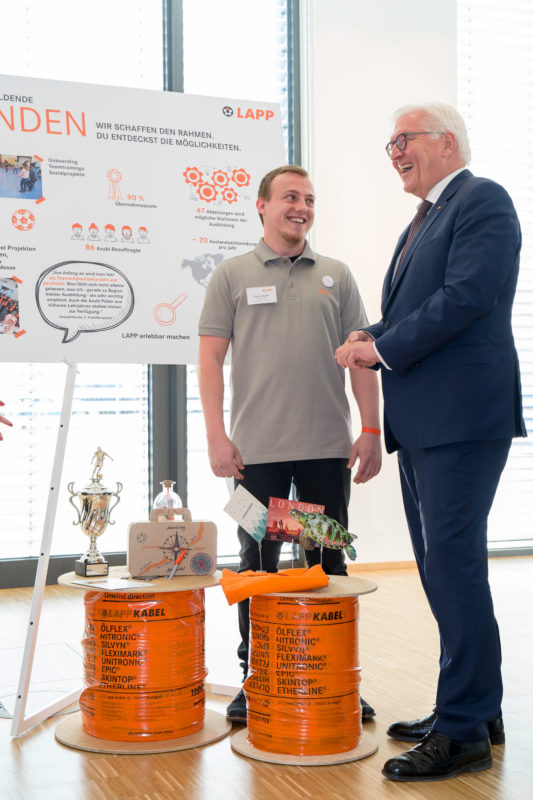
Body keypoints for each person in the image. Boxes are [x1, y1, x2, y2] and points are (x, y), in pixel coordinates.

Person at [335, 102, 525, 782]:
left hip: (461, 417)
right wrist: (372, 335)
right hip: (423, 421)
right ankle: (473, 708)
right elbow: (417, 310)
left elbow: (467, 296)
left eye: (402, 141)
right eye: (388, 145)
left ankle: (465, 729)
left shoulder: (483, 201)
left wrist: (381, 350)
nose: (393, 154)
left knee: (453, 567)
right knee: (445, 569)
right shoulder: (423, 219)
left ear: (446, 142)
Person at [198, 165, 382, 725]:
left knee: (329, 564)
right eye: (289, 197)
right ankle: (255, 679)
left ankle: (334, 678)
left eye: (308, 199)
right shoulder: (230, 274)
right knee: (257, 566)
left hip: (326, 449)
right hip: (255, 453)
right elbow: (209, 359)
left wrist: (371, 430)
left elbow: (364, 358)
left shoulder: (336, 275)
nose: (300, 207)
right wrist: (216, 438)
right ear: (262, 206)